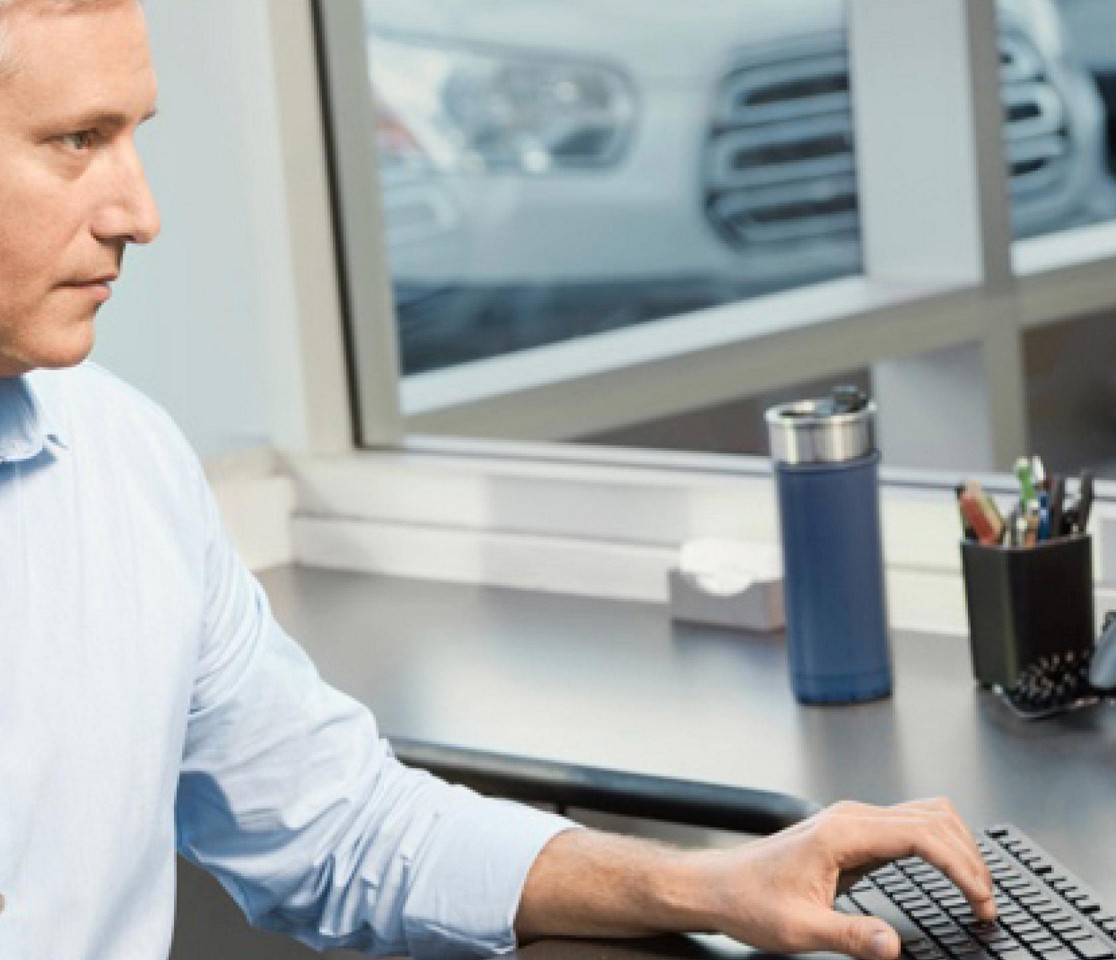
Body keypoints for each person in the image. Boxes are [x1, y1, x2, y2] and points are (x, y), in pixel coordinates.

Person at [0, 1, 996, 958]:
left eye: (135, 136)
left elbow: (352, 830)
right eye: (78, 141)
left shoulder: (128, 465)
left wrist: (711, 886)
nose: (141, 212)